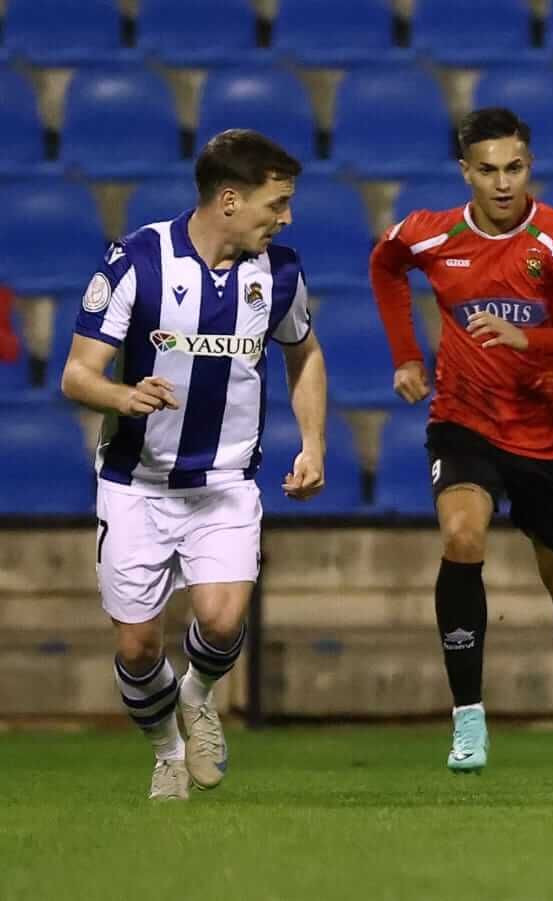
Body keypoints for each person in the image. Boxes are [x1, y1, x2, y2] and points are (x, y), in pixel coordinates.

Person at [61, 129, 327, 800]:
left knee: (221, 618)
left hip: (225, 483)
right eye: (278, 202)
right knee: (136, 650)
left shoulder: (281, 272)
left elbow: (305, 354)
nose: (286, 217)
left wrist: (314, 443)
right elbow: (76, 375)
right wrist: (124, 394)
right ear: (230, 200)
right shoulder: (136, 262)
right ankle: (167, 751)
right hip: (136, 485)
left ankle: (198, 693)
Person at [370, 108, 553, 782]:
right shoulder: (434, 235)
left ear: (529, 165)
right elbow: (385, 261)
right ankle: (468, 717)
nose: (503, 181)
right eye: (487, 169)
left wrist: (530, 338)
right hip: (466, 420)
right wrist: (405, 354)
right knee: (461, 537)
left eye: (513, 167)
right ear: (466, 171)